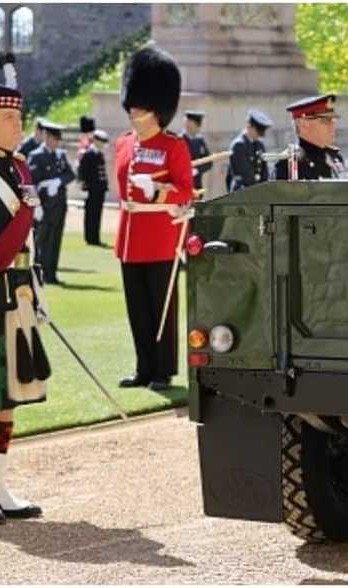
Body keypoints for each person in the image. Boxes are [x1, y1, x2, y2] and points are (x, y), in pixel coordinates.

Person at [113, 45, 194, 392]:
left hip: (159, 237)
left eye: (140, 104)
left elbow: (186, 190)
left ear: (156, 109)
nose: (133, 109)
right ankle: (143, 368)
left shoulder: (173, 146)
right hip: (130, 238)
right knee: (138, 311)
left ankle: (163, 370)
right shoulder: (123, 143)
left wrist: (157, 192)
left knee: (162, 310)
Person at [0, 61, 49, 525]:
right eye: (8, 117)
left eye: (18, 117)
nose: (18, 125)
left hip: (15, 292)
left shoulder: (19, 169)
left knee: (7, 395)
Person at [27, 121, 75, 285]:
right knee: (41, 242)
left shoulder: (59, 155)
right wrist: (35, 205)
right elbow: (29, 183)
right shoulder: (36, 155)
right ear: (46, 137)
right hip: (44, 206)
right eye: (54, 139)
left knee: (55, 240)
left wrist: (58, 181)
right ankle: (39, 274)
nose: (57, 142)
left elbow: (70, 175)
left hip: (59, 205)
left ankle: (51, 274)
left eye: (58, 139)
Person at [273, 94, 348, 180]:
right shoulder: (290, 163)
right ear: (304, 124)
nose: (333, 126)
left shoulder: (334, 158)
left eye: (333, 120)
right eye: (327, 121)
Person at [77, 129, 110, 246]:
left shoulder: (98, 153)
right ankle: (90, 238)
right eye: (101, 141)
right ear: (95, 140)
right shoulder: (88, 153)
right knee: (90, 214)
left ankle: (96, 237)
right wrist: (84, 188)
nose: (102, 144)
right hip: (91, 188)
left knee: (97, 214)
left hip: (99, 189)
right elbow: (82, 172)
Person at [227, 109, 272, 192]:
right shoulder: (239, 145)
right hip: (242, 191)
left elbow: (264, 171)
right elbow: (245, 174)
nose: (259, 136)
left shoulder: (259, 145)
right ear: (249, 126)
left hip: (256, 190)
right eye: (258, 132)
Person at [180, 110, 213, 193]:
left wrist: (197, 170)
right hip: (182, 185)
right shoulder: (179, 141)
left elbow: (208, 162)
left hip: (197, 185)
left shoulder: (199, 141)